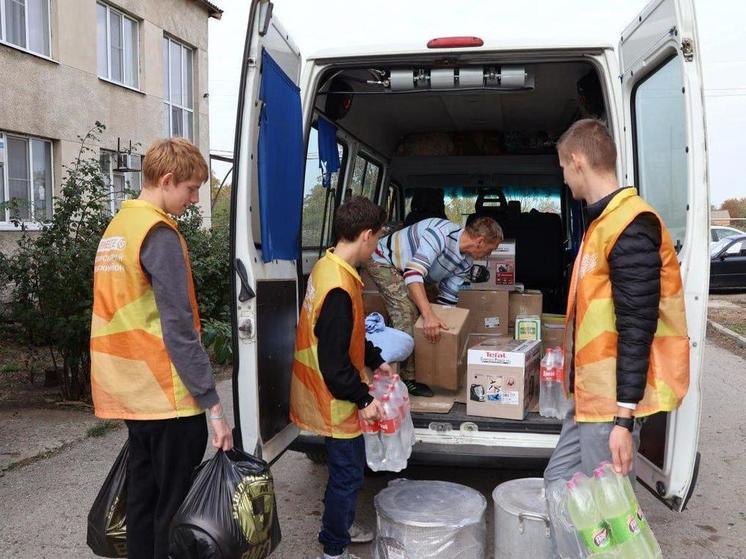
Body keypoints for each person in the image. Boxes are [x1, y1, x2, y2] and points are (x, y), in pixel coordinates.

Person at [543, 119, 690, 556]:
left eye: (563, 168)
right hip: (588, 401)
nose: (564, 178)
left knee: (609, 517)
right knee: (559, 482)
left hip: (610, 407)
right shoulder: (601, 224)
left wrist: (624, 420)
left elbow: (637, 326)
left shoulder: (630, 225)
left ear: (577, 161)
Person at [90, 138, 233, 559]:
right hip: (168, 396)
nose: (193, 200)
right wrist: (214, 407)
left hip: (132, 393)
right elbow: (179, 327)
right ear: (166, 180)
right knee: (172, 511)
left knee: (143, 504)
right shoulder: (159, 233)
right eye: (190, 189)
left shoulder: (118, 229)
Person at [290, 196, 393, 559]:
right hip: (335, 397)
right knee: (347, 475)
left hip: (324, 388)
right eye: (378, 238)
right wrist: (363, 399)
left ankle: (340, 524)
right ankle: (334, 549)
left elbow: (344, 333)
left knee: (342, 472)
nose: (377, 246)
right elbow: (334, 360)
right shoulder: (338, 286)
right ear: (366, 235)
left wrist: (375, 358)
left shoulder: (327, 266)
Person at [365, 216, 502, 397]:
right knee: (407, 311)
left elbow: (448, 296)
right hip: (384, 259)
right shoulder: (439, 235)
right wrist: (429, 315)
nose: (489, 255)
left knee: (430, 310)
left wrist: (447, 334)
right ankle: (407, 378)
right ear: (480, 241)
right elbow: (413, 274)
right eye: (490, 250)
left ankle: (425, 368)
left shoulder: (466, 261)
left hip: (413, 270)